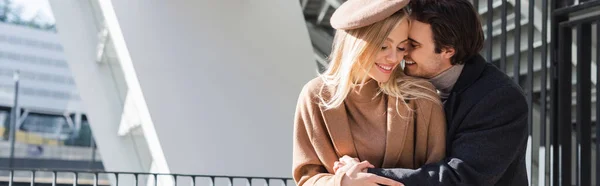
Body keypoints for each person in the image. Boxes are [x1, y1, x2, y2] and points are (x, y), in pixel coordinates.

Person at [338, 0, 529, 185]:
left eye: (413, 45)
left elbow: (460, 178)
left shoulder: (500, 99)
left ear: (447, 50)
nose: (403, 54)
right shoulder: (401, 85)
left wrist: (368, 176)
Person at [292, 0, 447, 185]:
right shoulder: (316, 96)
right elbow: (306, 178)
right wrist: (342, 182)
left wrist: (370, 175)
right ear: (357, 43)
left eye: (401, 48)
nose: (394, 58)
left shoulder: (421, 97)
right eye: (383, 46)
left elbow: (439, 176)